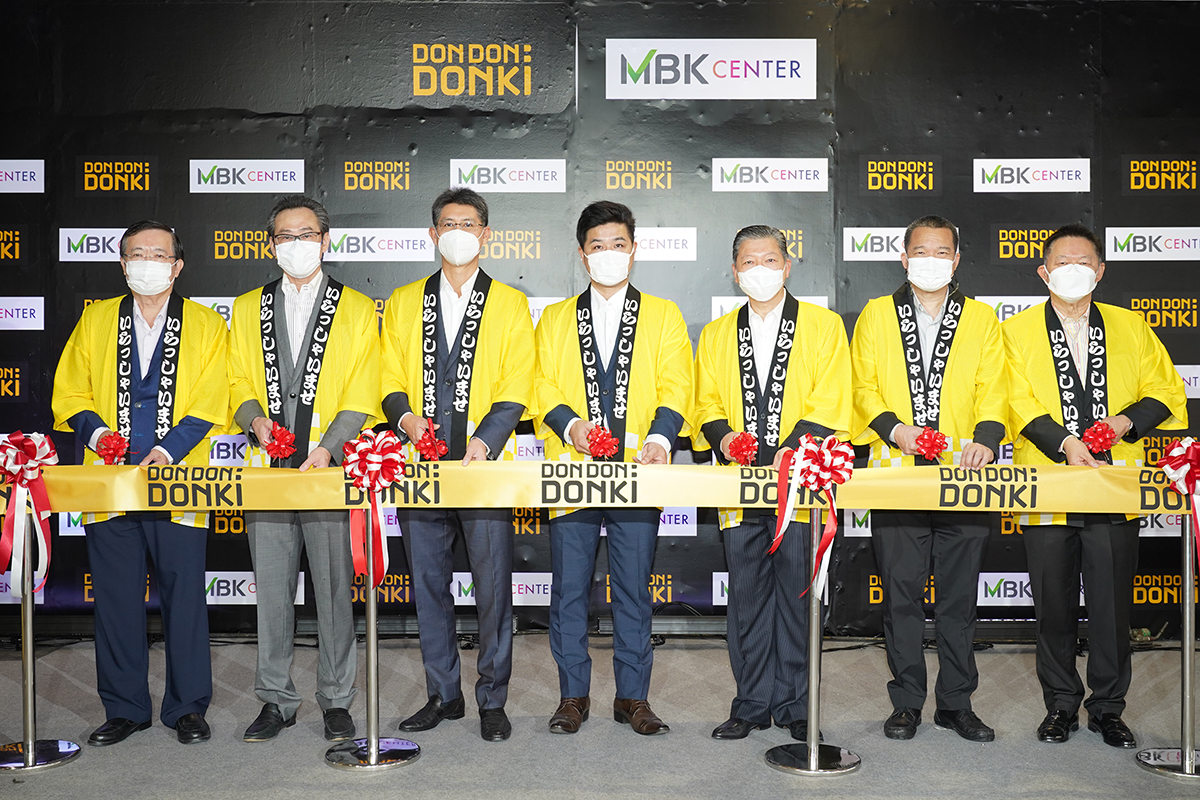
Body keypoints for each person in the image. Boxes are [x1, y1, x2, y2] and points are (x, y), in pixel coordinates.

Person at [1002, 223, 1187, 748]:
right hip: (1048, 483)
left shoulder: (1131, 326)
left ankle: (1108, 708)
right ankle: (1060, 705)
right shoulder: (1015, 332)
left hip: (1113, 485)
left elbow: (1166, 389)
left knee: (1110, 607)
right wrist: (1064, 441)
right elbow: (1013, 398)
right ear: (1043, 272)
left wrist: (1125, 422)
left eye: (1083, 262)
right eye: (1061, 262)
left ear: (1101, 270)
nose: (1073, 270)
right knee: (1053, 607)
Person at [53, 220, 228, 746]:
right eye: (136, 254)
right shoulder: (96, 320)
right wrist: (100, 434)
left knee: (185, 595)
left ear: (177, 266)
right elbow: (71, 392)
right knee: (114, 595)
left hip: (180, 477)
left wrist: (167, 450)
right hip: (110, 481)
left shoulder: (205, 324)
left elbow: (213, 398)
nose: (147, 262)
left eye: (158, 254)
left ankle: (188, 707)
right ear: (122, 263)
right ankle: (124, 707)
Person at [380, 187, 534, 742]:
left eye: (468, 224)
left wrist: (486, 441)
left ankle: (493, 698)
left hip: (481, 471)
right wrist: (406, 420)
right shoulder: (403, 302)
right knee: (428, 586)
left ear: (485, 235)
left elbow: (518, 382)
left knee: (493, 588)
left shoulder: (510, 304)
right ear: (433, 234)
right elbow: (387, 376)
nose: (458, 232)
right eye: (448, 223)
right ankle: (443, 694)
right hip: (419, 471)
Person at [535, 200, 693, 736]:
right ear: (583, 255)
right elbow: (541, 385)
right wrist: (571, 427)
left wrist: (659, 439)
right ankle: (572, 696)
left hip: (637, 472)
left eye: (618, 244)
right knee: (569, 590)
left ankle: (633, 697)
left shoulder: (663, 315)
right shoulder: (555, 318)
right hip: (572, 472)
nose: (608, 253)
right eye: (597, 246)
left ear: (633, 250)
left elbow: (678, 384)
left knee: (632, 589)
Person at [227, 195, 381, 743]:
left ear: (325, 240)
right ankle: (275, 699)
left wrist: (333, 446)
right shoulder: (247, 307)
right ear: (271, 244)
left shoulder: (357, 308)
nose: (297, 244)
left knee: (335, 591)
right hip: (267, 472)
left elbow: (365, 384)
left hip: (329, 472)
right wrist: (254, 420)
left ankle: (337, 699)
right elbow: (235, 377)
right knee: (271, 593)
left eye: (307, 234)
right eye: (286, 236)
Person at [850, 215, 1008, 743]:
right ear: (904, 258)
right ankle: (907, 702)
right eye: (921, 251)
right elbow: (862, 387)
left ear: (956, 260)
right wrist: (895, 430)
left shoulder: (982, 319)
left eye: (942, 252)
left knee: (958, 599)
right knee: (901, 597)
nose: (931, 261)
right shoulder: (876, 314)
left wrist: (987, 438)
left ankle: (956, 703)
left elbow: (995, 386)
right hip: (897, 475)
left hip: (965, 474)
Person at [693, 225, 851, 742]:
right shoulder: (717, 334)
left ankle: (798, 706)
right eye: (748, 262)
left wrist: (786, 451)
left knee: (799, 597)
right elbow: (705, 406)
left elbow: (832, 399)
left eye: (768, 260)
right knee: (747, 598)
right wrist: (729, 440)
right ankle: (751, 703)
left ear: (786, 265)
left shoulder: (825, 327)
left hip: (803, 486)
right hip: (739, 488)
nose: (758, 270)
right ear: (734, 271)